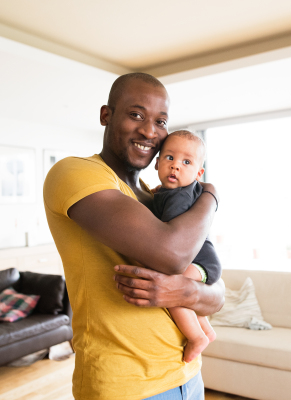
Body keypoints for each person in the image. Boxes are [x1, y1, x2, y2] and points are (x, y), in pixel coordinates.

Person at [43, 72, 225, 400]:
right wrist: (210, 196)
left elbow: (218, 295)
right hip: (126, 386)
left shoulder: (152, 196)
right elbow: (172, 254)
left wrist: (182, 290)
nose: (149, 130)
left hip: (187, 375)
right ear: (106, 115)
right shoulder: (76, 173)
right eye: (136, 115)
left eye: (161, 121)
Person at [152, 130, 221, 363]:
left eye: (186, 162)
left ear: (198, 173)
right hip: (203, 260)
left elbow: (170, 235)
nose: (175, 166)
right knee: (183, 296)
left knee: (172, 292)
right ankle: (206, 331)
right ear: (157, 163)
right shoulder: (172, 192)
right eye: (169, 158)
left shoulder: (178, 197)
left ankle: (196, 337)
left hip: (199, 261)